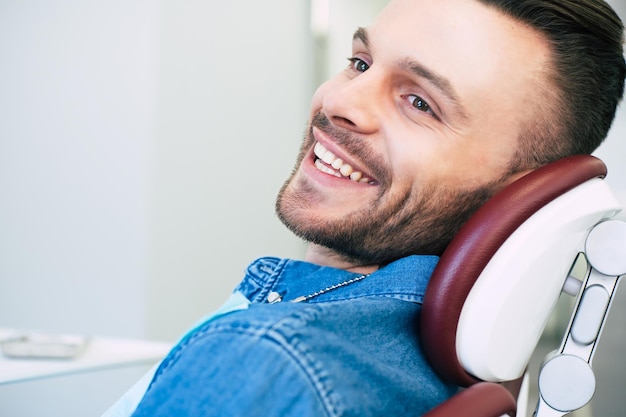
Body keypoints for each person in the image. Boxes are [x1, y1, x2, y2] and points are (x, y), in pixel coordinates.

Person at [108, 0, 625, 415]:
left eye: (420, 103)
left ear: (519, 194)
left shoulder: (268, 360)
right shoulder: (418, 365)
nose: (341, 102)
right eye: (360, 62)